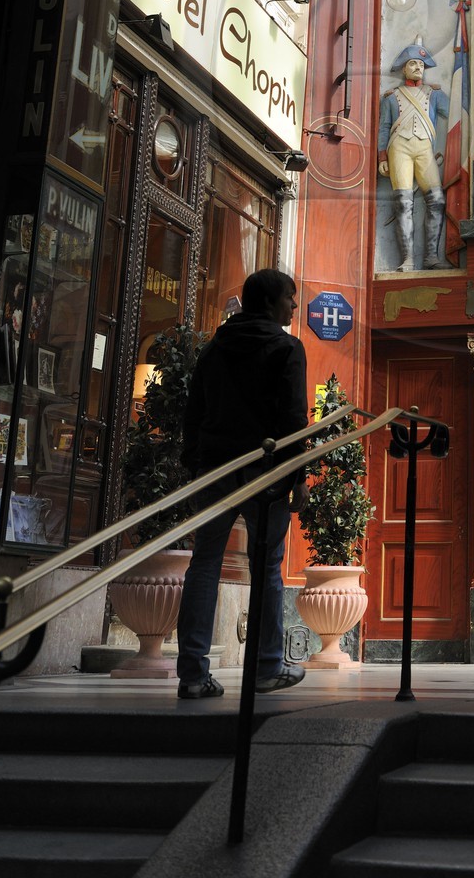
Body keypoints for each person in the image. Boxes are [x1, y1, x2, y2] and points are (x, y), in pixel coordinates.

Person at [176, 268, 308, 700]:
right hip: (265, 472)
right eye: (289, 297)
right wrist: (298, 477)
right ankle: (267, 667)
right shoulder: (287, 348)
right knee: (266, 566)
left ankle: (193, 674)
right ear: (270, 302)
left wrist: (195, 466)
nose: (294, 305)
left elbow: (194, 412)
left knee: (204, 562)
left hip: (215, 469)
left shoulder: (215, 348)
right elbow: (293, 420)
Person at [378, 41, 450, 270]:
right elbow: (384, 127)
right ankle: (407, 259)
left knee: (437, 200)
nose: (418, 68)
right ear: (404, 68)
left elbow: (454, 111)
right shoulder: (391, 97)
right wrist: (382, 157)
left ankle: (431, 257)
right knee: (403, 201)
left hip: (424, 149)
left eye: (421, 64)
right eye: (413, 64)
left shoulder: (434, 94)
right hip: (399, 148)